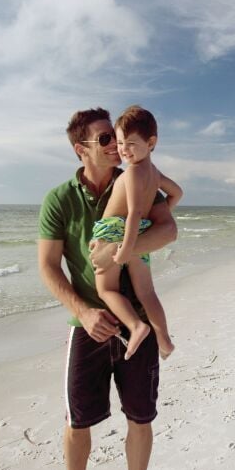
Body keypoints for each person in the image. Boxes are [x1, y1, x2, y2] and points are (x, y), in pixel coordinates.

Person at [38, 106, 177, 470]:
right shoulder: (60, 199)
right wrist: (83, 310)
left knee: (140, 417)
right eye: (104, 140)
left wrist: (116, 250)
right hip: (89, 325)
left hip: (134, 311)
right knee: (78, 422)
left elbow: (168, 229)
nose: (115, 145)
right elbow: (47, 266)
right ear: (81, 149)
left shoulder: (131, 177)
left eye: (115, 137)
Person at [92, 105, 182, 361]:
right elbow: (177, 193)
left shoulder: (132, 172)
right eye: (120, 142)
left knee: (106, 290)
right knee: (147, 292)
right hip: (138, 231)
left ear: (151, 142)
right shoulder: (154, 174)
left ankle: (135, 326)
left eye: (130, 143)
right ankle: (164, 340)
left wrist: (124, 251)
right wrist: (162, 211)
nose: (123, 149)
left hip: (113, 231)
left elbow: (131, 214)